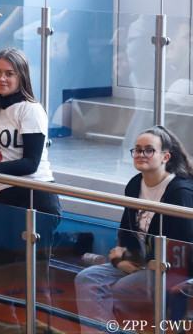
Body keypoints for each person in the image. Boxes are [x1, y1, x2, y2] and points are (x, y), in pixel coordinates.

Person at [0, 48, 62, 329]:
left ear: (21, 77)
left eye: (9, 73)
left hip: (35, 199)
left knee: (33, 280)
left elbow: (30, 162)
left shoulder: (30, 109)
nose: (1, 78)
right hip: (2, 200)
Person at [74, 125, 193, 333]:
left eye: (149, 150)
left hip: (171, 269)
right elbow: (125, 238)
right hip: (141, 262)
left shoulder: (179, 193)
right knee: (86, 279)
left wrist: (129, 260)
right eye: (137, 149)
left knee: (120, 291)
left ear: (165, 157)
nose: (141, 154)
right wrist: (122, 261)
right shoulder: (135, 184)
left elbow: (181, 253)